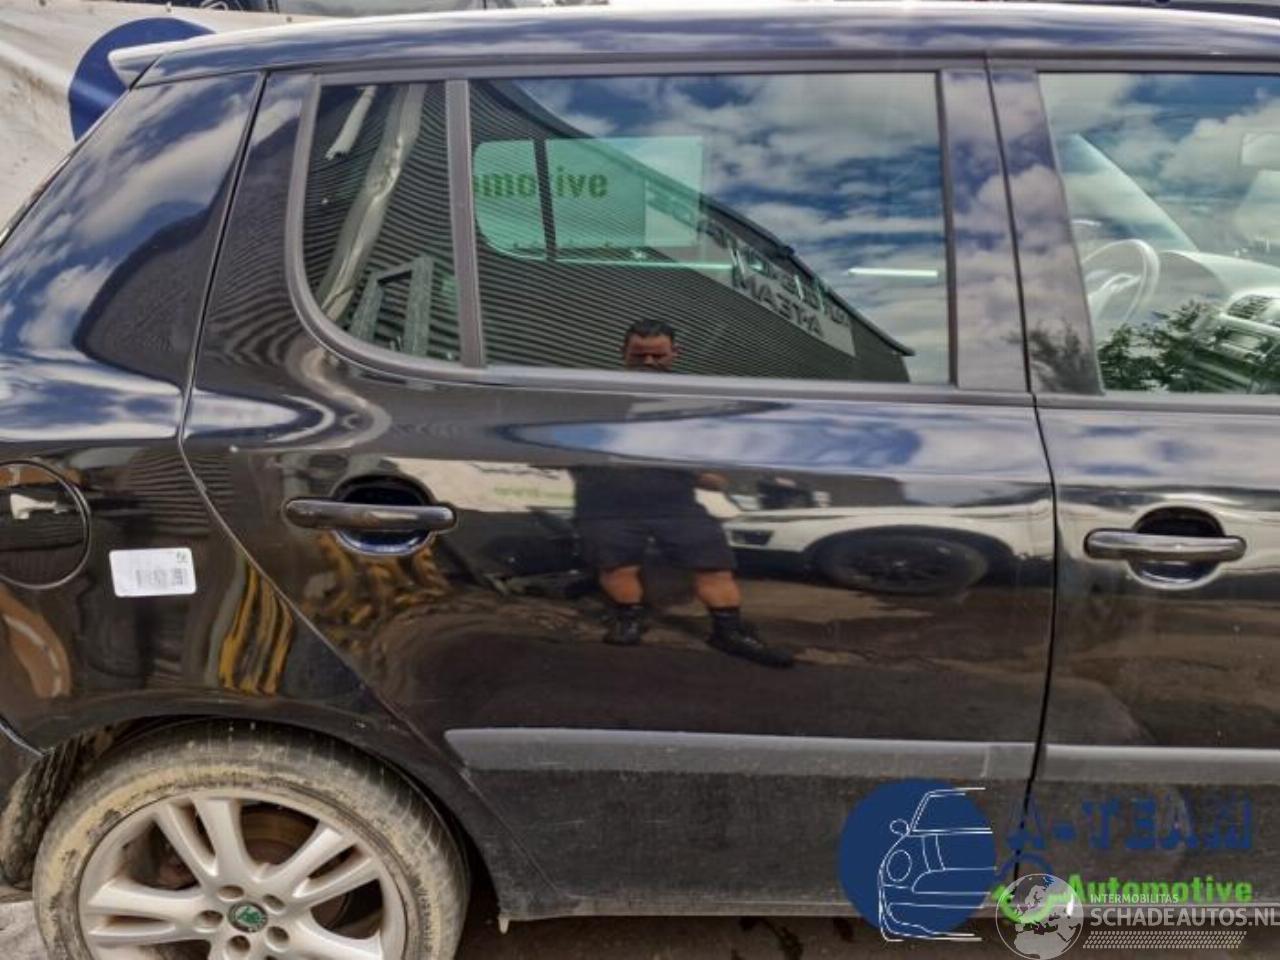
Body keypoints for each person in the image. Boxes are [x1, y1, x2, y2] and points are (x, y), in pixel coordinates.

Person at [572, 319, 793, 668]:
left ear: (675, 353)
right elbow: (560, 444)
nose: (648, 363)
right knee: (616, 566)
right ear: (623, 353)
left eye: (657, 355)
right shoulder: (592, 396)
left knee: (714, 566)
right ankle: (628, 618)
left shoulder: (694, 401)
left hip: (674, 503)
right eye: (639, 355)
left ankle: (729, 632)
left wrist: (702, 473)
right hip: (605, 502)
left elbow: (717, 466)